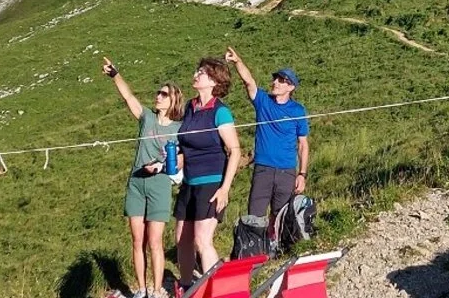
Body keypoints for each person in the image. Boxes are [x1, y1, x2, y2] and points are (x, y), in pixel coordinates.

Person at [102, 57, 184, 298]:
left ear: (173, 101)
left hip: (159, 185)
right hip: (136, 184)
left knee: (155, 241)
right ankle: (141, 289)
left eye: (163, 94)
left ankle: (157, 290)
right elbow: (129, 98)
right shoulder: (147, 117)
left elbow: (180, 158)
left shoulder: (179, 128)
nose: (157, 96)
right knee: (137, 240)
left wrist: (160, 167)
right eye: (158, 93)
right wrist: (115, 75)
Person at [174, 57, 241, 291]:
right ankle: (187, 287)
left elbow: (234, 151)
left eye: (201, 72)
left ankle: (221, 290)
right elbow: (186, 144)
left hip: (211, 182)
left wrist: (225, 188)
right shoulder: (190, 108)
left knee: (203, 240)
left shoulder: (220, 112)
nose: (196, 74)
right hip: (188, 182)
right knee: (182, 240)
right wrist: (177, 160)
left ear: (213, 81)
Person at [224, 47, 310, 225]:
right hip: (263, 168)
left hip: (287, 171)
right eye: (276, 78)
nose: (276, 82)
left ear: (291, 87)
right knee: (255, 217)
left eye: (282, 80)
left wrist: (302, 174)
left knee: (281, 217)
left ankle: (277, 250)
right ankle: (256, 250)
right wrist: (238, 62)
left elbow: (303, 144)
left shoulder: (298, 110)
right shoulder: (263, 101)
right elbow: (249, 82)